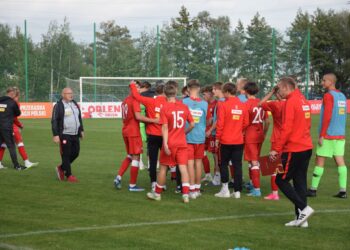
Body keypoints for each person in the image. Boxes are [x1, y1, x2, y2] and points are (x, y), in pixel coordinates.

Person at [269, 77, 314, 227]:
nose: (279, 91)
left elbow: (286, 128)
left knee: (280, 180)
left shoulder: (291, 102)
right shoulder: (303, 100)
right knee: (300, 182)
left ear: (285, 87)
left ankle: (304, 209)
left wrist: (276, 149)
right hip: (306, 146)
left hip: (294, 148)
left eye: (279, 88)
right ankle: (302, 219)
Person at [147, 82, 194, 203]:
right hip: (182, 142)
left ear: (165, 94)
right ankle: (185, 195)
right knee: (183, 168)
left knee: (163, 168)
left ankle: (157, 194)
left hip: (171, 142)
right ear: (176, 93)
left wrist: (166, 144)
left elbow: (164, 128)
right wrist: (184, 132)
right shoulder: (184, 107)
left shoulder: (165, 108)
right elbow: (192, 124)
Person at [307, 73, 347, 198]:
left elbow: (327, 116)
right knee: (340, 161)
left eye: (324, 81)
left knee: (319, 160)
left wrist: (322, 135)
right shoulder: (342, 96)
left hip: (328, 135)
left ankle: (313, 190)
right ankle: (343, 191)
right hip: (340, 135)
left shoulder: (328, 96)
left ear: (330, 81)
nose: (322, 83)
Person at [114, 82, 159, 191]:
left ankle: (118, 177)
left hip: (125, 130)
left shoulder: (124, 101)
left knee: (130, 155)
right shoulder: (135, 100)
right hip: (133, 132)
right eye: (138, 87)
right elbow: (138, 117)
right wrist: (153, 120)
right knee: (136, 157)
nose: (139, 89)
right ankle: (132, 185)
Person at [129, 80, 167, 190]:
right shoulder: (169, 103)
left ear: (156, 92)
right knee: (164, 161)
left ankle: (153, 182)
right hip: (164, 135)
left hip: (152, 134)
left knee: (153, 160)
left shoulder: (150, 101)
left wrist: (132, 85)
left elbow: (136, 95)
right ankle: (162, 183)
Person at [215, 83, 249, 199]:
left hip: (225, 140)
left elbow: (220, 124)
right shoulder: (243, 105)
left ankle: (225, 189)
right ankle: (237, 191)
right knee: (237, 165)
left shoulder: (223, 105)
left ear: (228, 92)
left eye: (224, 92)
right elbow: (246, 123)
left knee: (223, 164)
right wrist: (238, 131)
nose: (223, 95)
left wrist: (217, 138)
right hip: (238, 140)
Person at [0, 87, 38, 169]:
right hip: (10, 126)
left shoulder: (2, 100)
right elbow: (15, 116)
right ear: (14, 94)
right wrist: (20, 125)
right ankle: (23, 163)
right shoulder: (14, 102)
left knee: (3, 144)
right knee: (17, 144)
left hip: (3, 125)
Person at [183, 79, 209, 199]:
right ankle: (197, 189)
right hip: (200, 137)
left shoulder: (184, 102)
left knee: (190, 164)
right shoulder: (205, 104)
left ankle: (192, 189)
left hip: (188, 136)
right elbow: (208, 120)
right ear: (199, 89)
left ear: (188, 89)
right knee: (198, 163)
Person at [52, 87, 84, 182]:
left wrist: (81, 130)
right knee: (66, 154)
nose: (71, 94)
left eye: (71, 93)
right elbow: (54, 120)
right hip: (65, 134)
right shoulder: (59, 105)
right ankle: (69, 175)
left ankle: (61, 168)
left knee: (76, 153)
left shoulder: (74, 104)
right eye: (68, 93)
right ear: (63, 95)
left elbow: (79, 118)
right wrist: (55, 134)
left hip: (75, 133)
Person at [244, 82, 269, 197]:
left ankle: (257, 189)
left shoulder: (246, 104)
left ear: (246, 91)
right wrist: (263, 133)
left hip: (250, 135)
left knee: (253, 161)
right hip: (259, 134)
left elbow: (245, 122)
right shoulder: (261, 103)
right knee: (253, 159)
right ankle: (252, 183)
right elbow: (267, 121)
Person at [259, 86, 284, 200]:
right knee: (286, 165)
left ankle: (275, 193)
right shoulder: (290, 104)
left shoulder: (275, 104)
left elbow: (261, 103)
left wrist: (271, 93)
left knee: (273, 167)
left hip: (277, 138)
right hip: (289, 139)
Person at [0, 87, 25, 170]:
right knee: (11, 146)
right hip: (7, 128)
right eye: (14, 93)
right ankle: (16, 165)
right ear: (12, 94)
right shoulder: (12, 103)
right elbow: (18, 113)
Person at [201, 86, 216, 182]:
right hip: (203, 133)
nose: (203, 96)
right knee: (202, 153)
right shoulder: (204, 104)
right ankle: (207, 174)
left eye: (204, 94)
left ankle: (217, 175)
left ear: (210, 93)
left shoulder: (217, 104)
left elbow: (211, 121)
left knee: (215, 156)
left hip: (212, 133)